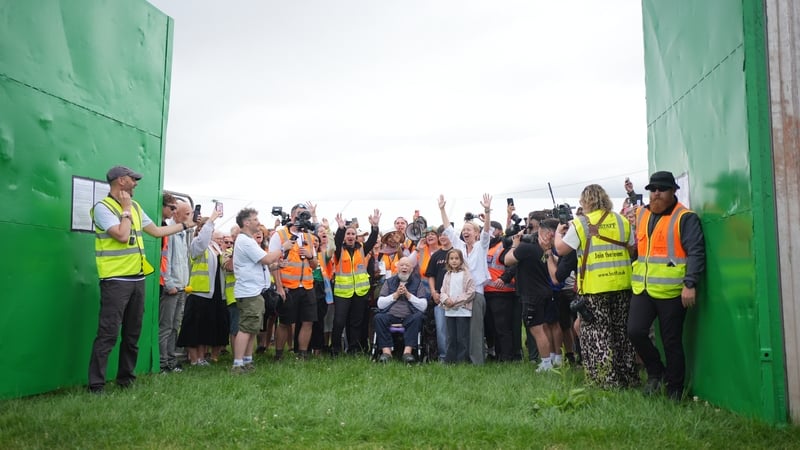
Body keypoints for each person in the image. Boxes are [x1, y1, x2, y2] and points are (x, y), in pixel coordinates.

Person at [88, 166, 196, 393]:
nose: (136, 183)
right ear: (120, 181)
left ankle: (126, 379)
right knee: (107, 334)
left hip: (137, 279)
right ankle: (96, 385)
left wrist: (185, 225)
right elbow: (122, 235)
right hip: (115, 279)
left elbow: (156, 232)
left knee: (132, 333)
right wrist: (125, 210)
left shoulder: (136, 206)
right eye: (132, 179)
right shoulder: (102, 208)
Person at [627, 171, 706, 401]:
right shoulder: (642, 214)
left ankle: (674, 389)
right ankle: (655, 372)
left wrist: (690, 283)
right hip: (643, 288)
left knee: (671, 341)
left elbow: (696, 252)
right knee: (635, 331)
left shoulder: (685, 217)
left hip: (673, 291)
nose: (656, 194)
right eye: (653, 190)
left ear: (673, 192)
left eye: (662, 189)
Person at [554, 184, 638, 388]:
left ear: (585, 201)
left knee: (597, 333)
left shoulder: (581, 223)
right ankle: (627, 376)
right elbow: (632, 248)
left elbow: (561, 249)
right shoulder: (621, 220)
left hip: (595, 287)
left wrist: (558, 233)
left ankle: (604, 380)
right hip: (622, 283)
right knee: (621, 332)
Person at [231, 208, 292, 373]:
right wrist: (283, 248)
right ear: (246, 223)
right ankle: (237, 364)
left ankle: (247, 360)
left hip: (254, 292)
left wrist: (277, 265)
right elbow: (266, 258)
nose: (258, 222)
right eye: (255, 219)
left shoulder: (248, 240)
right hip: (249, 292)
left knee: (252, 328)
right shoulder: (245, 241)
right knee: (246, 328)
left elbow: (261, 264)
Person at [438, 193, 492, 365]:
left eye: (469, 229)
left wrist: (487, 212)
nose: (465, 232)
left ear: (476, 233)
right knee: (458, 329)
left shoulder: (481, 246)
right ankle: (457, 358)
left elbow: (487, 231)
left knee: (475, 329)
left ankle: (476, 361)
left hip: (475, 292)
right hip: (457, 295)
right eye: (464, 229)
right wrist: (442, 209)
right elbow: (448, 229)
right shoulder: (459, 247)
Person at [502, 218, 561, 372]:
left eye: (538, 229)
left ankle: (546, 364)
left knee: (536, 329)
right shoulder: (548, 249)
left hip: (531, 293)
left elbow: (507, 260)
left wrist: (515, 243)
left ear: (547, 233)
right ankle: (553, 357)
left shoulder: (527, 248)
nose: (533, 232)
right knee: (546, 327)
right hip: (545, 291)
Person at [177, 212, 230, 366]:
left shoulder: (215, 247)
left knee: (205, 328)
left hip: (214, 293)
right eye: (208, 229)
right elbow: (202, 240)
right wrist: (212, 219)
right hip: (199, 292)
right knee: (194, 328)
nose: (211, 232)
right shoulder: (196, 244)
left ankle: (202, 357)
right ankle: (194, 359)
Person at [268, 203, 320, 360]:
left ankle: (302, 354)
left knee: (308, 321)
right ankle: (278, 355)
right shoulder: (280, 235)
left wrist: (310, 256)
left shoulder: (310, 237)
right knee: (285, 322)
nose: (302, 217)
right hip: (288, 286)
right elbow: (272, 262)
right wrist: (279, 287)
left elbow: (315, 265)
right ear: (292, 216)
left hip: (307, 286)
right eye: (299, 214)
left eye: (305, 214)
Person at [331, 210, 380, 356]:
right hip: (342, 293)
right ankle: (335, 350)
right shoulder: (339, 250)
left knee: (356, 322)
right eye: (348, 234)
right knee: (339, 322)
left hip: (360, 292)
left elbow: (372, 240)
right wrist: (341, 229)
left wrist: (375, 227)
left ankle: (354, 349)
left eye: (353, 234)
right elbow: (337, 241)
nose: (350, 236)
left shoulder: (362, 249)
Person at [159, 200, 192, 373]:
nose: (189, 217)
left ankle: (171, 361)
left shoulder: (182, 234)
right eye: (187, 214)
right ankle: (162, 363)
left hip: (181, 287)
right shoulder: (170, 233)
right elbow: (165, 259)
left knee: (174, 326)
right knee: (165, 326)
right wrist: (169, 283)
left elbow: (183, 261)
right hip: (171, 287)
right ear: (177, 213)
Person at [374, 257, 428, 363]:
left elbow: (423, 305)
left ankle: (407, 353)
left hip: (409, 316)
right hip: (391, 316)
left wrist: (408, 295)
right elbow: (380, 304)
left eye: (407, 265)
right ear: (397, 268)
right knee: (379, 317)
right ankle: (386, 352)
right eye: (402, 265)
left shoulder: (418, 283)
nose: (404, 267)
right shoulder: (389, 282)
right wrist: (396, 295)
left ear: (411, 269)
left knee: (418, 317)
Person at [484, 220, 520, 362]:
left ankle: (506, 356)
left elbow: (513, 265)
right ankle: (497, 355)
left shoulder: (503, 245)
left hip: (502, 292)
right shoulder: (485, 246)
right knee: (491, 327)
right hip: (487, 291)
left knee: (502, 327)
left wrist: (504, 279)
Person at [440, 249, 476, 363]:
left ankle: (462, 360)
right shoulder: (447, 275)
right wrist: (446, 299)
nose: (454, 261)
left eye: (456, 258)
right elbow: (443, 290)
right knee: (451, 337)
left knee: (462, 337)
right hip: (449, 310)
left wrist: (455, 301)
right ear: (448, 261)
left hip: (463, 310)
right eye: (451, 259)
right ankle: (450, 360)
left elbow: (470, 293)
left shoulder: (466, 274)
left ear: (461, 260)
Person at [426, 225, 452, 362]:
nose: (443, 237)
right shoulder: (436, 255)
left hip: (456, 299)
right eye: (441, 235)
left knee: (454, 329)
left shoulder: (457, 252)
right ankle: (443, 357)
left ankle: (456, 356)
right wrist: (433, 292)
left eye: (445, 234)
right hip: (439, 298)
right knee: (441, 328)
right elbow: (430, 275)